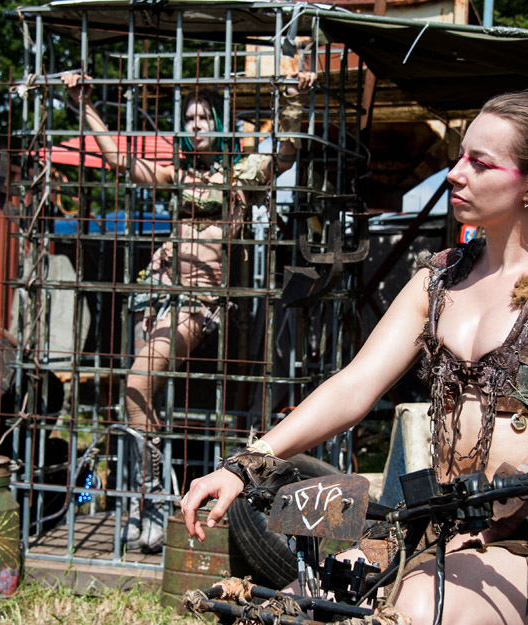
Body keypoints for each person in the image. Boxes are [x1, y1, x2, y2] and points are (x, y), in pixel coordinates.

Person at [180, 90, 528, 624]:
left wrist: (464, 538)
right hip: (441, 525)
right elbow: (353, 386)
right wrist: (245, 466)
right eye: (460, 157)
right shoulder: (437, 279)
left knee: (416, 608)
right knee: (301, 606)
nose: (456, 174)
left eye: (480, 163)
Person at [62, 70, 317, 553]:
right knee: (138, 401)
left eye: (204, 116)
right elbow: (120, 161)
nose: (196, 125)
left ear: (219, 124)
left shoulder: (239, 174)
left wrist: (293, 99)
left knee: (137, 386)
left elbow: (284, 152)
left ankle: (156, 507)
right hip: (156, 293)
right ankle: (143, 507)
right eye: (189, 118)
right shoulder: (177, 175)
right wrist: (84, 105)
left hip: (199, 303)